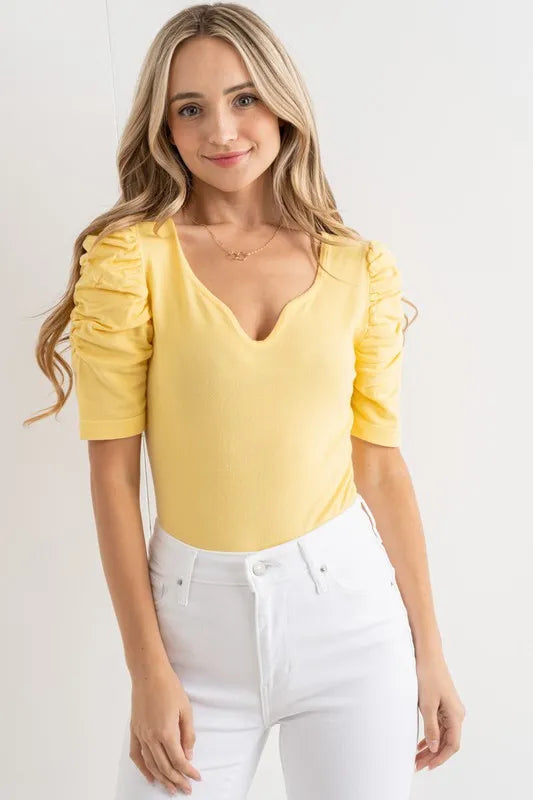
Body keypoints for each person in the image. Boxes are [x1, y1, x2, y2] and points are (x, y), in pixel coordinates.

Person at [24, 3, 465, 798]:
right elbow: (113, 478)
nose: (221, 130)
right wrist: (147, 670)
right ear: (163, 128)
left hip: (350, 621)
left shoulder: (357, 269)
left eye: (244, 98)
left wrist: (428, 653)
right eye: (189, 109)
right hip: (192, 634)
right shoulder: (130, 264)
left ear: (282, 105)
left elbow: (380, 469)